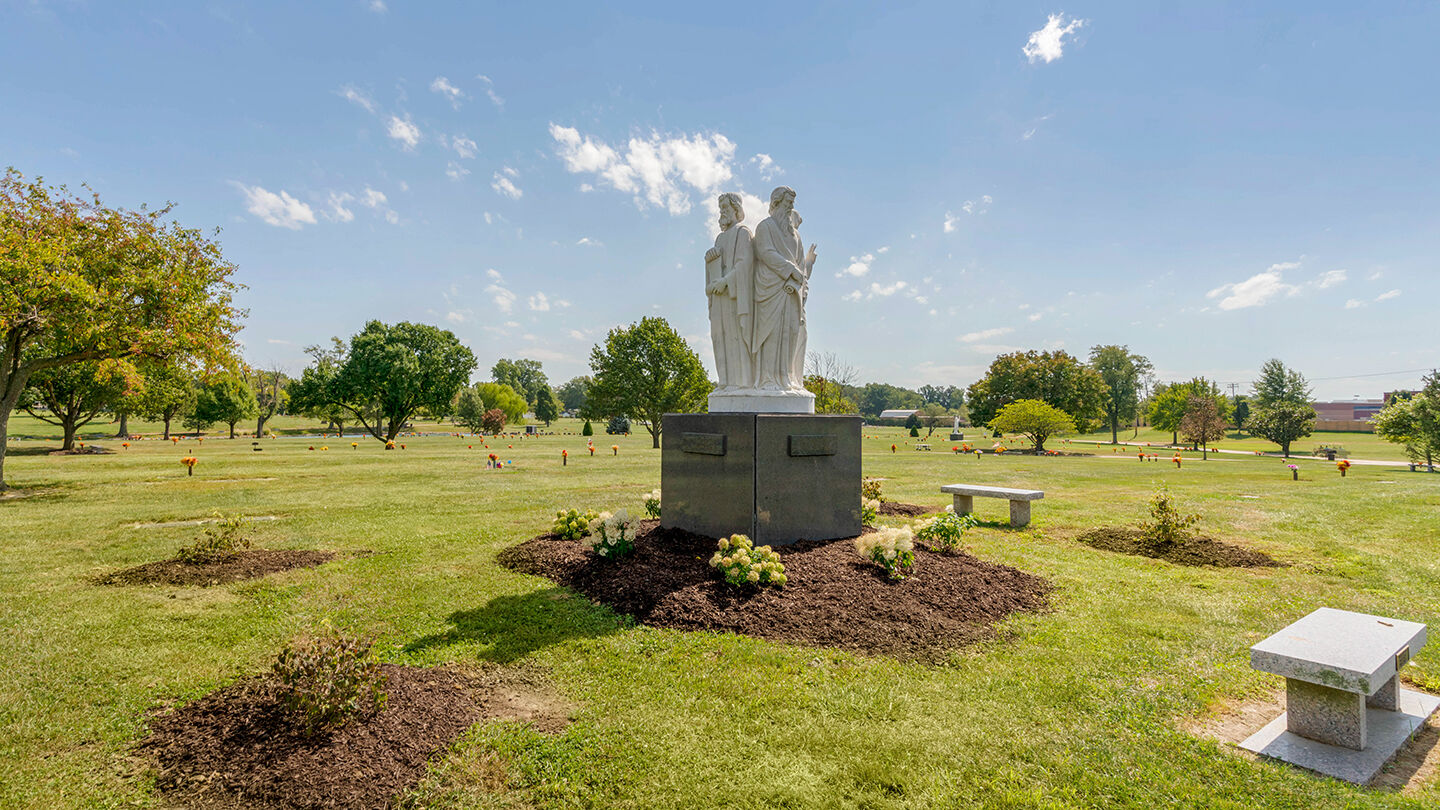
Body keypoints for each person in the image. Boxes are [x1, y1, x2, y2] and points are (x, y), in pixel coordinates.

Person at [749, 186, 817, 391]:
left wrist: (797, 278)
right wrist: (789, 270)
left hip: (791, 292)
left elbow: (800, 265)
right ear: (776, 203)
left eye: (792, 204)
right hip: (769, 290)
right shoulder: (765, 227)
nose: (790, 208)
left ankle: (786, 377)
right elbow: (765, 252)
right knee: (771, 332)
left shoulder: (796, 235)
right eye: (788, 203)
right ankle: (767, 378)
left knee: (789, 333)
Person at [703, 193, 753, 390]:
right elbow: (714, 267)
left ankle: (741, 382)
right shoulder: (720, 238)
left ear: (736, 209)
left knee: (735, 337)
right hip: (718, 296)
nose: (722, 212)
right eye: (720, 208)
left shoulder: (743, 233)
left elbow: (744, 264)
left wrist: (725, 281)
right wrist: (709, 260)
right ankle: (724, 381)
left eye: (725, 207)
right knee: (719, 337)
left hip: (733, 295)